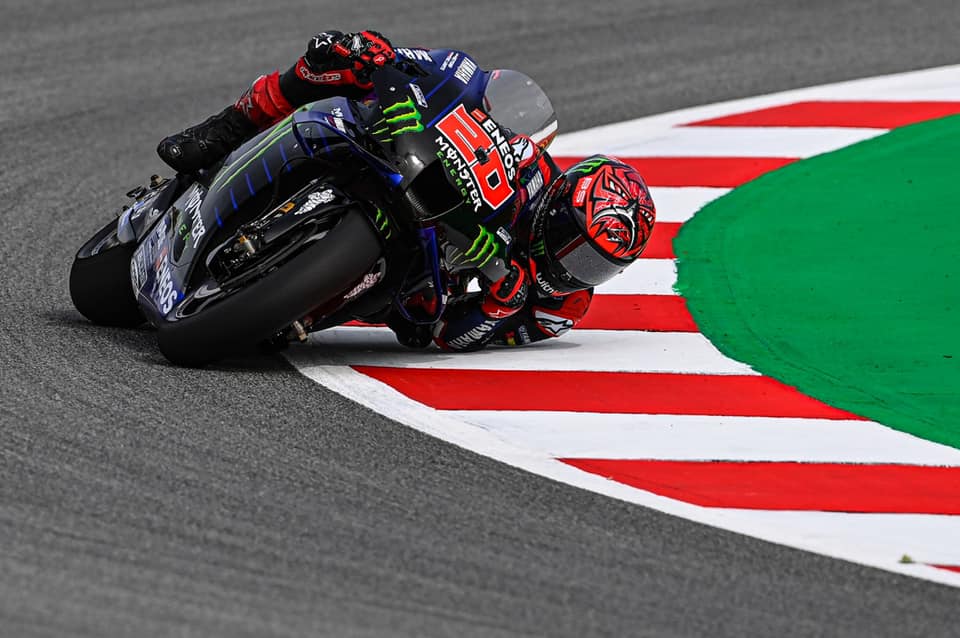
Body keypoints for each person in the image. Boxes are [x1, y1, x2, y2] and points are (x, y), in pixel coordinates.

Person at [157, 30, 656, 351]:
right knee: (338, 63)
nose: (573, 267)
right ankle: (222, 131)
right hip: (412, 168)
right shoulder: (530, 166)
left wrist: (494, 307)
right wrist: (384, 57)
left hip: (416, 285)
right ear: (559, 206)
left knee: (410, 319)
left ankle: (287, 303)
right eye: (574, 243)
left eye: (595, 266)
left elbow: (444, 338)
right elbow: (454, 74)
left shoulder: (562, 308)